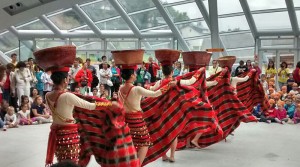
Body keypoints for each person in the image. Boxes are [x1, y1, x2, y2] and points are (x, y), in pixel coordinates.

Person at [118, 65, 174, 166]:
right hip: (137, 121)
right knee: (145, 143)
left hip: (125, 121)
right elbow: (156, 93)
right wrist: (169, 85)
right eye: (134, 73)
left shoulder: (120, 89)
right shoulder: (136, 89)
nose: (136, 75)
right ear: (131, 76)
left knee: (130, 143)